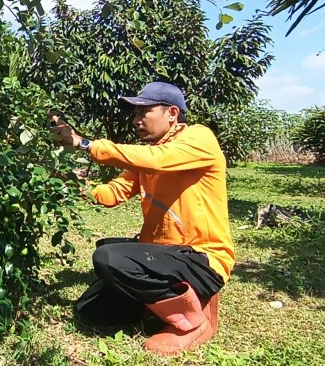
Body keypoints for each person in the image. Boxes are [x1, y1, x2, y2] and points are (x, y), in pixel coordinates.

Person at [49, 81, 234, 356]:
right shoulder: (148, 158)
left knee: (110, 258)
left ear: (172, 112)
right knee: (92, 310)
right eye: (134, 115)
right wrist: (72, 186)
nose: (136, 121)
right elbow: (113, 193)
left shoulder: (198, 139)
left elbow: (160, 159)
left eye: (143, 112)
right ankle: (160, 306)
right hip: (164, 254)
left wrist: (83, 142)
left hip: (201, 258)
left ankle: (194, 322)